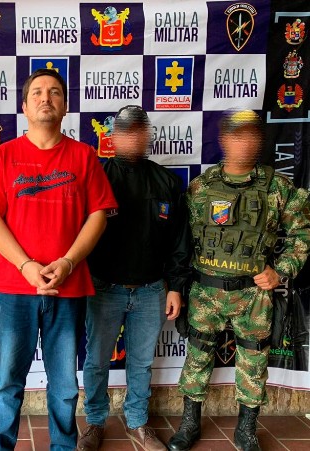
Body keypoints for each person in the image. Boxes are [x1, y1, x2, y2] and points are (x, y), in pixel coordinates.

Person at [0, 68, 118, 450]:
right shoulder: (4, 155)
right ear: (24, 106)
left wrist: (68, 262)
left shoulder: (84, 156)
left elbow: (98, 215)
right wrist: (26, 266)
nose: (45, 98)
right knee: (7, 380)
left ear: (65, 105)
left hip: (67, 287)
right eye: (37, 92)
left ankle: (62, 447)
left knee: (65, 384)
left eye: (54, 92)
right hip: (13, 288)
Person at [168, 110, 310, 451]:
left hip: (253, 295)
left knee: (253, 361)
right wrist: (177, 285)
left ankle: (246, 429)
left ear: (259, 140)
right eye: (236, 135)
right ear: (224, 140)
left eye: (250, 135)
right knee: (197, 357)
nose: (243, 143)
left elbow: (302, 234)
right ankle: (189, 423)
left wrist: (281, 270)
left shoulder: (278, 188)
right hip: (206, 291)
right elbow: (182, 241)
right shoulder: (201, 187)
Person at [78, 105, 191, 451]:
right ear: (113, 137)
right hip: (103, 287)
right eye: (125, 132)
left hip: (151, 290)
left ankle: (138, 422)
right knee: (97, 361)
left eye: (138, 132)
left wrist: (176, 287)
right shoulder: (95, 177)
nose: (132, 138)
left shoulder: (167, 182)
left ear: (147, 136)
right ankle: (95, 422)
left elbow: (179, 241)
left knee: (141, 363)